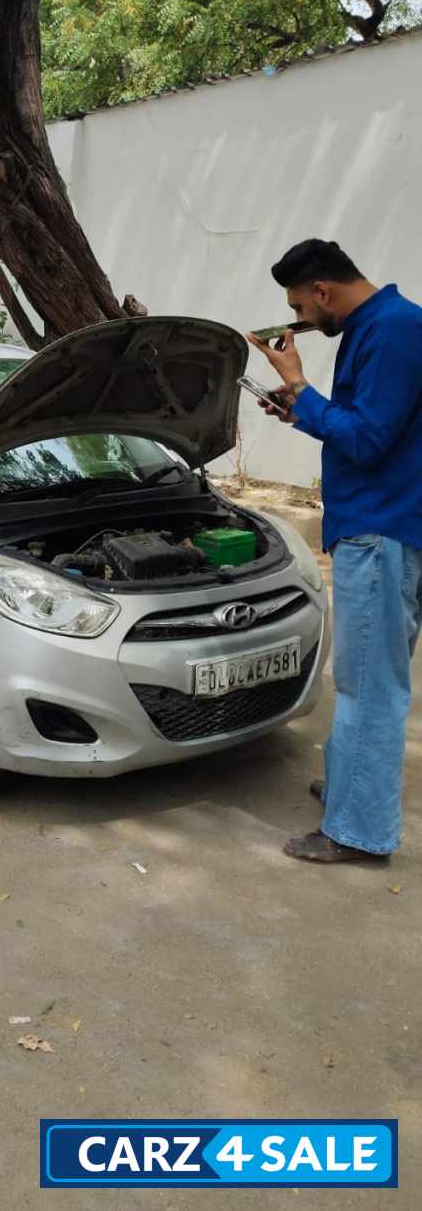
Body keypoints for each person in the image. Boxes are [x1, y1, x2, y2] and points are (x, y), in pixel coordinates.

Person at [248, 239, 422, 863]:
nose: (300, 319)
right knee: (361, 676)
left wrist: (300, 385)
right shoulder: (379, 327)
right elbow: (363, 422)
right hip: (379, 525)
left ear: (322, 291)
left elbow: (369, 440)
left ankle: (357, 831)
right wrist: (301, 409)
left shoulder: (396, 330)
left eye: (300, 306)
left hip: (381, 529)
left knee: (371, 686)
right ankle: (351, 792)